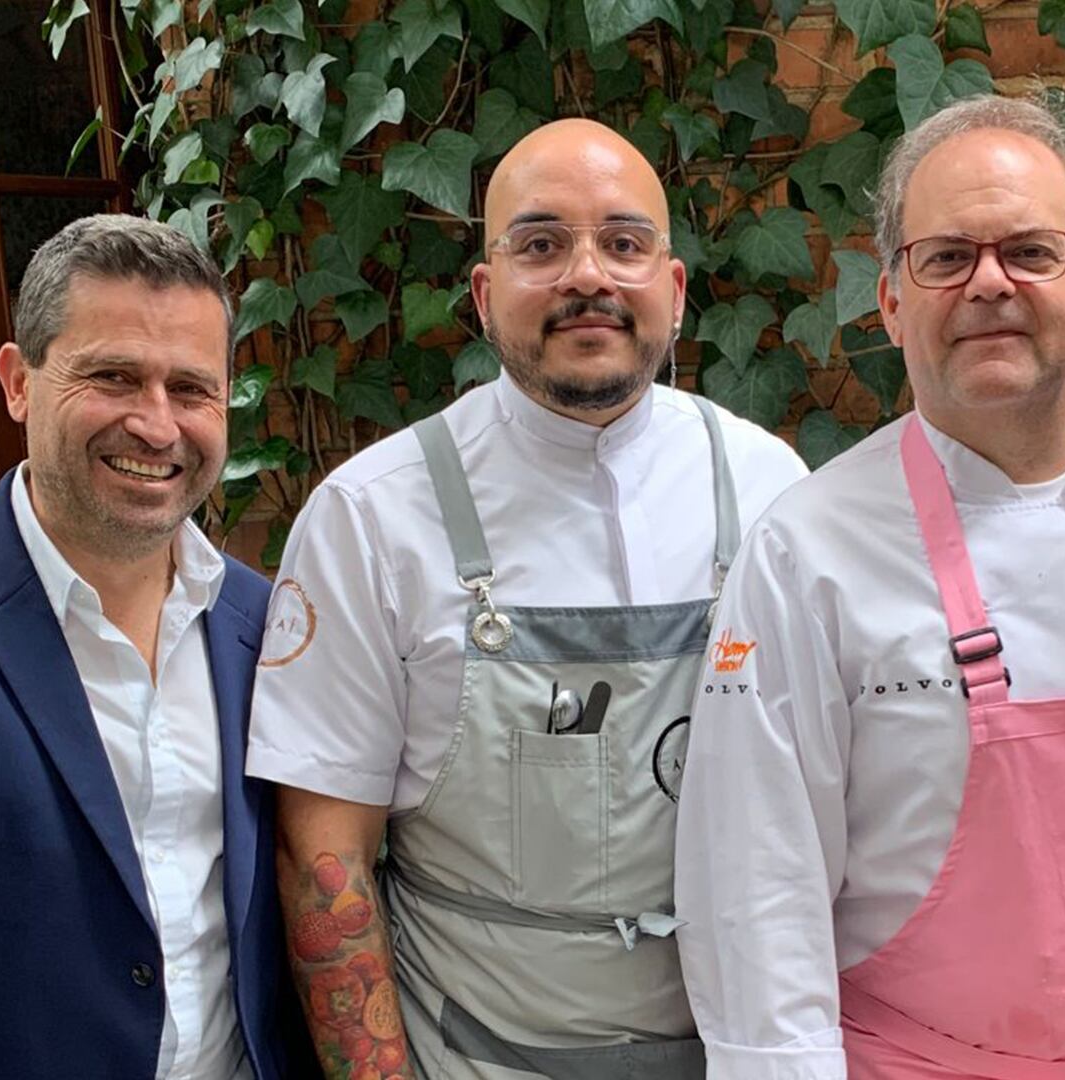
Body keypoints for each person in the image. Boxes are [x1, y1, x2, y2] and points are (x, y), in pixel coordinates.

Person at [673, 94, 1065, 1079]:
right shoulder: (807, 552)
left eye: (1030, 251)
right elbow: (755, 897)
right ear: (891, 301)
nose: (990, 283)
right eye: (945, 258)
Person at [246, 117, 809, 1080]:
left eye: (624, 243)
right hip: (475, 1057)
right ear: (483, 293)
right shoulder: (372, 518)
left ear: (674, 290)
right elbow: (322, 857)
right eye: (541, 245)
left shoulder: (771, 491)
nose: (588, 275)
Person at [0, 215, 308, 1079]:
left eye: (191, 389)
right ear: (17, 382)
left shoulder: (266, 626)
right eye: (114, 377)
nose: (157, 425)